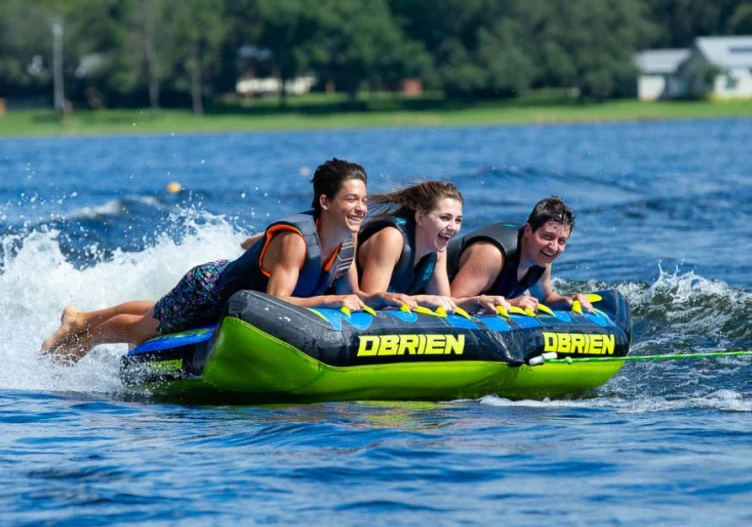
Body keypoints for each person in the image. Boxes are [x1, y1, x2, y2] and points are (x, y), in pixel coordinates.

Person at [41, 159, 410, 363]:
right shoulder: (296, 242)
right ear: (326, 202)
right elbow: (276, 303)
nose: (361, 207)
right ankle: (88, 332)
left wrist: (386, 299)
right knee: (145, 329)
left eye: (362, 200)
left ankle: (83, 317)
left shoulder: (348, 239)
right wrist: (329, 300)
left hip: (229, 288)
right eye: (350, 199)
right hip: (210, 290)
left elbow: (353, 293)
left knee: (158, 310)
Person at [357, 181, 510, 314]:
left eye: (458, 220)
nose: (453, 227)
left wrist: (479, 301)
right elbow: (371, 303)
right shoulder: (391, 238)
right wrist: (422, 300)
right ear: (420, 217)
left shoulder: (438, 249)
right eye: (445, 218)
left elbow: (446, 302)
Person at [447, 195, 594, 313]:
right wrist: (511, 304)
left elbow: (545, 297)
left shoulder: (541, 259)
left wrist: (568, 301)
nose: (554, 247)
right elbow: (454, 301)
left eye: (561, 241)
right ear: (528, 230)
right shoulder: (492, 255)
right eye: (547, 237)